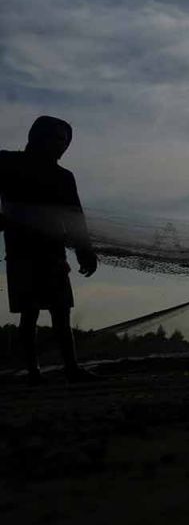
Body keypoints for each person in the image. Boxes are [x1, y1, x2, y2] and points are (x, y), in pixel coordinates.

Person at [0, 116, 99, 384]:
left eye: (64, 140)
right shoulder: (7, 162)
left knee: (61, 311)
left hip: (53, 254)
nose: (59, 144)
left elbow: (75, 217)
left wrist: (84, 251)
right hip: (21, 252)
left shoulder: (64, 178)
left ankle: (71, 368)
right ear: (36, 137)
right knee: (29, 312)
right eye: (54, 137)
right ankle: (33, 371)